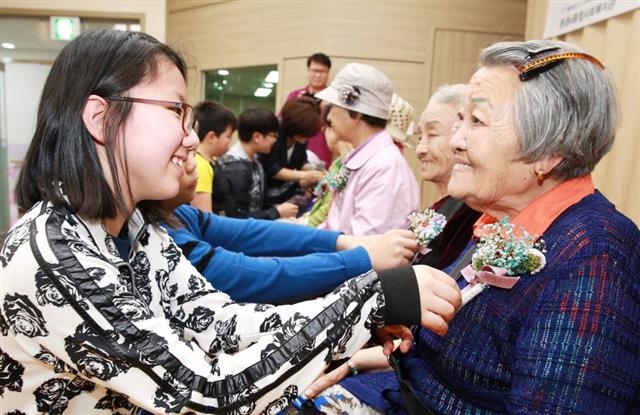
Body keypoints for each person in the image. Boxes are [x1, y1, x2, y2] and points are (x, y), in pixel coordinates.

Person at [0, 29, 462, 414]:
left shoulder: (136, 229)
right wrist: (371, 298)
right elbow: (206, 391)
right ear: (101, 118)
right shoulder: (57, 259)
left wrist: (363, 313)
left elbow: (221, 322)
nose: (190, 139)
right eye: (176, 111)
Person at [308, 39, 640, 414]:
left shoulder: (595, 257)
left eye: (477, 121)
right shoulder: (501, 220)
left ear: (548, 152)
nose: (456, 141)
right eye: (460, 120)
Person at [163, 150, 420, 304]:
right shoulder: (162, 234)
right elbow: (247, 274)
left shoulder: (178, 213)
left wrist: (344, 242)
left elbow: (250, 233)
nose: (191, 142)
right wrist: (360, 257)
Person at [316, 63, 421, 235]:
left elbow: (365, 248)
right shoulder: (370, 160)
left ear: (357, 113)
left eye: (334, 107)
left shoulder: (384, 168)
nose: (328, 116)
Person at [212, 107, 298, 220]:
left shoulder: (254, 159)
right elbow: (237, 218)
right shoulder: (236, 169)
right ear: (257, 137)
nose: (275, 140)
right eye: (273, 135)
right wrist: (276, 212)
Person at [260, 96, 326, 211]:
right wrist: (305, 176)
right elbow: (273, 169)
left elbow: (301, 160)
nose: (307, 138)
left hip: (281, 192)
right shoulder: (275, 134)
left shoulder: (301, 137)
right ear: (295, 127)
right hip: (265, 190)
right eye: (305, 134)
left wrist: (313, 170)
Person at [286, 52, 333, 168]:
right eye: (314, 71)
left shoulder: (333, 98)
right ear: (308, 71)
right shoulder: (295, 96)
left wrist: (326, 111)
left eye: (322, 71)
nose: (317, 75)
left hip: (322, 154)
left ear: (328, 73)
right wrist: (297, 106)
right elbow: (283, 122)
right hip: (295, 155)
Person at [191, 100, 237, 212]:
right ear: (211, 137)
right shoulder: (200, 165)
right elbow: (203, 214)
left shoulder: (211, 160)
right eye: (228, 136)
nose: (230, 142)